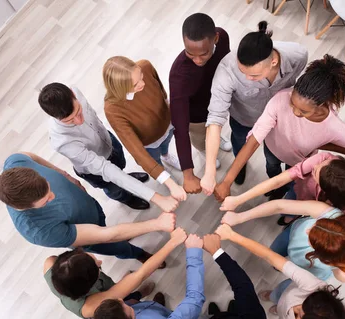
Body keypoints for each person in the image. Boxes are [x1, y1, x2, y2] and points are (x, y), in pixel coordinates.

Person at [213, 54, 345, 203]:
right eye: (293, 104)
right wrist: (227, 181)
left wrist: (321, 144)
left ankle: (282, 190)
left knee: (291, 183)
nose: (295, 112)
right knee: (272, 168)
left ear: (322, 105)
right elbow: (253, 141)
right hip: (272, 150)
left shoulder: (333, 127)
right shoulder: (280, 99)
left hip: (297, 162)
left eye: (303, 111)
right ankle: (276, 189)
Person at [215, 224, 345, 319]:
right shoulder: (314, 285)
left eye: (299, 315)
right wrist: (233, 236)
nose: (296, 308)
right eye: (304, 304)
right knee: (277, 294)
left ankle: (276, 307)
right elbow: (270, 256)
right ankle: (273, 298)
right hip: (285, 292)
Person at [0, 152, 175, 262]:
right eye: (46, 201)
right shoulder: (40, 231)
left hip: (89, 208)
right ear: (27, 207)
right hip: (91, 237)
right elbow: (106, 235)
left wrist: (65, 175)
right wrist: (157, 224)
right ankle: (138, 255)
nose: (54, 196)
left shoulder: (15, 162)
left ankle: (124, 238)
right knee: (115, 245)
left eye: (49, 187)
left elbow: (31, 156)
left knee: (105, 225)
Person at [200, 21, 309, 195]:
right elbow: (214, 120)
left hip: (278, 119)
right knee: (239, 141)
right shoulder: (226, 72)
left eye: (254, 75)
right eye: (243, 72)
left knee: (274, 154)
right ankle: (240, 165)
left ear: (273, 62)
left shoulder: (298, 56)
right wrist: (210, 170)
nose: (247, 78)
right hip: (244, 119)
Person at [76, 229, 206, 319]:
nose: (121, 299)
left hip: (146, 314)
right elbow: (194, 299)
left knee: (139, 304)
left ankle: (152, 305)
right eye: (124, 307)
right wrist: (193, 253)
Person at [39, 82, 179, 212]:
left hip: (109, 143)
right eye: (70, 121)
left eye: (79, 111)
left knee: (121, 167)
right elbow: (106, 170)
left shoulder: (75, 90)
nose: (79, 121)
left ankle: (126, 177)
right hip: (95, 170)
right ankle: (127, 198)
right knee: (114, 188)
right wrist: (156, 197)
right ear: (56, 118)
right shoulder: (62, 142)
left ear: (73, 94)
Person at [103, 56, 187, 202]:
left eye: (140, 76)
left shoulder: (146, 66)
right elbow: (137, 151)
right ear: (120, 88)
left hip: (167, 125)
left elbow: (162, 92)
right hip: (148, 144)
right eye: (135, 84)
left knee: (166, 144)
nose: (143, 83)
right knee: (154, 158)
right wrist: (170, 183)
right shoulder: (113, 109)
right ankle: (163, 170)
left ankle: (166, 156)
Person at [222, 200, 345, 283]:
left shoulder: (343, 271)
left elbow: (269, 257)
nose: (307, 229)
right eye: (316, 224)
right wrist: (240, 217)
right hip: (291, 236)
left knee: (277, 261)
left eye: (311, 237)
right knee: (275, 250)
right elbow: (280, 206)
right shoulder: (331, 214)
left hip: (303, 268)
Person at [169, 13, 232, 194]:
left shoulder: (223, 36)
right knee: (199, 138)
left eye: (203, 53)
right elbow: (180, 127)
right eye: (190, 53)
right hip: (196, 116)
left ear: (216, 39)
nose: (197, 60)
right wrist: (188, 174)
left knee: (216, 128)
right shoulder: (178, 76)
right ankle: (205, 150)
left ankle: (216, 139)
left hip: (220, 102)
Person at [221, 152, 345, 225]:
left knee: (288, 211)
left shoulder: (330, 208)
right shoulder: (325, 159)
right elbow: (278, 181)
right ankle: (290, 218)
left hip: (311, 213)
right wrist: (238, 199)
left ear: (323, 189)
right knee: (288, 207)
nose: (314, 165)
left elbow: (278, 205)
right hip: (299, 193)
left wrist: (240, 217)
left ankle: (291, 219)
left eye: (315, 172)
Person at [43, 246, 165, 319]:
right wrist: (173, 242)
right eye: (97, 267)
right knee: (127, 304)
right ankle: (144, 301)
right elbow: (141, 274)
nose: (100, 262)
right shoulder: (89, 307)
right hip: (106, 304)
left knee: (120, 291)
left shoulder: (51, 264)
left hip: (104, 290)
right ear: (89, 283)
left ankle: (129, 291)